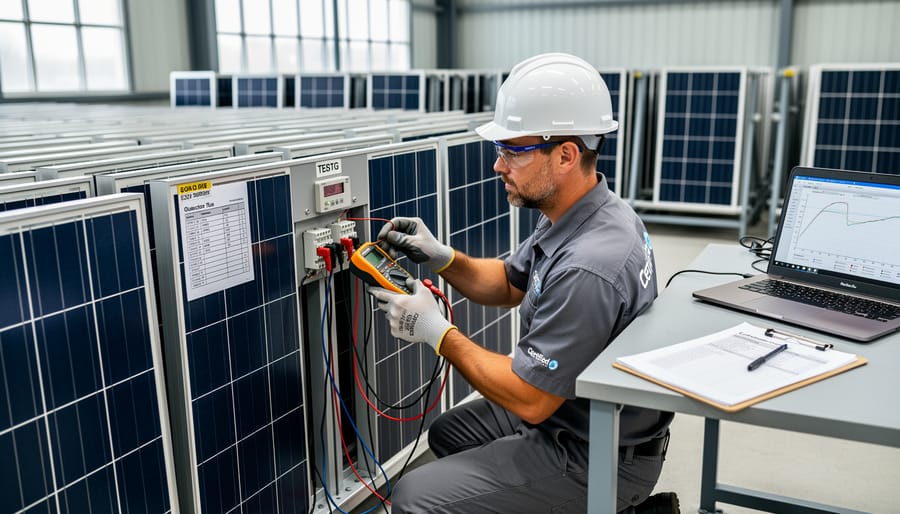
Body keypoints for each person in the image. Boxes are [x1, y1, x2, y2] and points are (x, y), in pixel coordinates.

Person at [369, 52, 675, 513]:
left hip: (594, 451)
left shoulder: (589, 266)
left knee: (413, 497)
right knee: (449, 433)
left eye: (513, 151)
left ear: (566, 154)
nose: (498, 166)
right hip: (577, 411)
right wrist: (443, 258)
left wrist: (437, 334)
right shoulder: (585, 212)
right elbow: (510, 283)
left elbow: (530, 401)